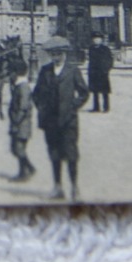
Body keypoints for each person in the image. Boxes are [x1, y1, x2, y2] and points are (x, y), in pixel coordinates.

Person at [34, 35, 89, 200]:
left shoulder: (73, 71)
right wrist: (43, 109)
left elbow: (84, 92)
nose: (56, 57)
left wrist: (73, 107)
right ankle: (57, 187)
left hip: (68, 121)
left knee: (71, 154)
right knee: (55, 154)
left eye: (59, 54)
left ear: (65, 54)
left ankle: (74, 188)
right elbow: (37, 94)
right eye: (53, 54)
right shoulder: (45, 71)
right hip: (50, 121)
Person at [6, 63, 36, 182]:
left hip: (21, 124)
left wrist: (16, 123)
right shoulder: (19, 86)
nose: (9, 76)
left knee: (19, 148)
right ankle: (29, 168)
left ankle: (24, 173)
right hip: (19, 123)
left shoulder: (23, 87)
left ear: (15, 73)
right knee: (15, 148)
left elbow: (23, 108)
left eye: (10, 74)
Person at [87, 33, 114, 113]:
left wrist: (106, 69)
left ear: (101, 40)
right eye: (95, 39)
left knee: (104, 91)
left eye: (98, 39)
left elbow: (110, 60)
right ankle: (96, 107)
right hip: (94, 72)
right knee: (95, 91)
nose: (96, 40)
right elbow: (91, 60)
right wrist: (90, 71)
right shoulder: (91, 48)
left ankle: (106, 107)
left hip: (102, 73)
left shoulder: (105, 49)